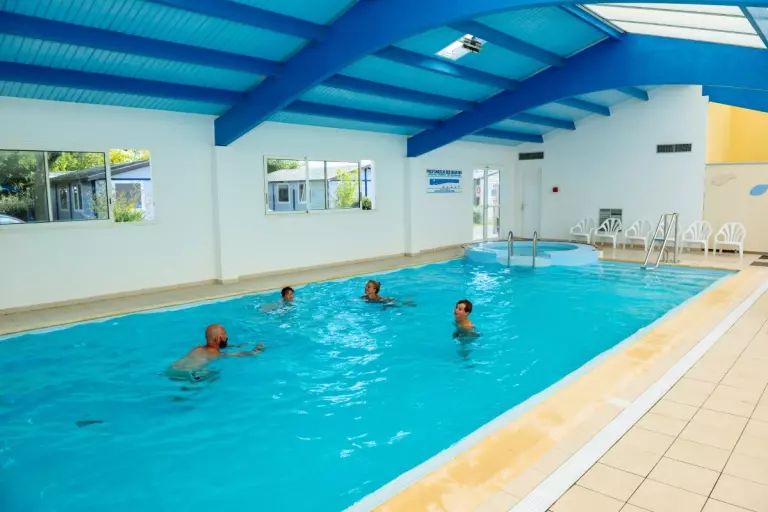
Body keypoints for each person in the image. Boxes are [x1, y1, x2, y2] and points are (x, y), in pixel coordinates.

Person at [171, 324, 263, 374]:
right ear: (217, 339)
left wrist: (236, 346)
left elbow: (220, 346)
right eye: (224, 335)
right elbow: (240, 354)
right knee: (215, 374)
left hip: (173, 369)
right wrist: (257, 350)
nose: (227, 337)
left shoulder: (198, 348)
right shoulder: (216, 354)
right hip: (189, 374)